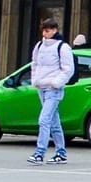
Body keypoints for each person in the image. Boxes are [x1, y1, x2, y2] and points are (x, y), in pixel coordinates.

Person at [27, 17, 74, 165]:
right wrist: (35, 80)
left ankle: (40, 152)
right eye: (44, 30)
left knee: (44, 119)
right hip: (42, 87)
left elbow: (68, 69)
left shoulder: (63, 47)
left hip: (53, 89)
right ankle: (61, 153)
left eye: (48, 30)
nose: (45, 33)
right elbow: (34, 64)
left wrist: (56, 83)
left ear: (54, 30)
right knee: (54, 122)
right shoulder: (39, 46)